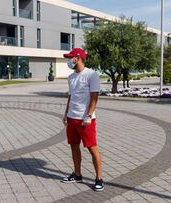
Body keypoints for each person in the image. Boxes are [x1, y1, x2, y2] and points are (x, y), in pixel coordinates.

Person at [61, 48, 104, 192]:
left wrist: (89, 115)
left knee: (92, 148)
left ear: (78, 58)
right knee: (74, 146)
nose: (68, 60)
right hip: (72, 118)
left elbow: (94, 97)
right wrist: (66, 113)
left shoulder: (92, 75)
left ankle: (99, 178)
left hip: (85, 119)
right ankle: (77, 174)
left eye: (70, 57)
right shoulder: (71, 77)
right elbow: (71, 96)